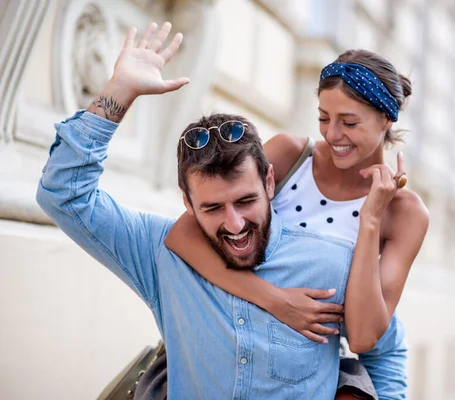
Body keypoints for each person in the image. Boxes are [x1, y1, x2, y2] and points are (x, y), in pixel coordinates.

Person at [36, 22, 407, 399]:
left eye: (245, 202)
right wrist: (118, 93)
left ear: (269, 183)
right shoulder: (162, 256)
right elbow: (63, 195)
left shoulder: (334, 264)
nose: (234, 224)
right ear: (187, 203)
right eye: (212, 208)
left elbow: (383, 347)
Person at [164, 22, 429, 398]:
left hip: (308, 371)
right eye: (324, 118)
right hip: (234, 338)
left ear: (386, 119)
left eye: (348, 122)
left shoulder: (405, 213)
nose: (332, 134)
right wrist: (276, 300)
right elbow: (183, 235)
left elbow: (366, 335)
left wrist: (370, 220)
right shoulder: (290, 155)